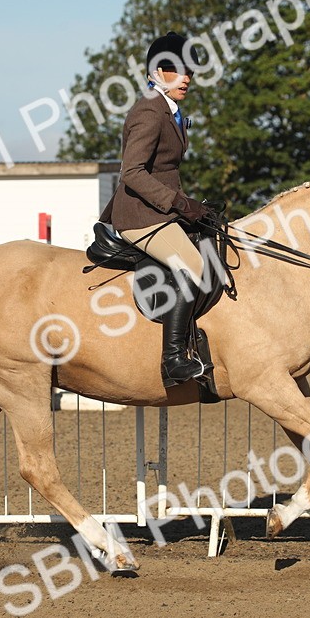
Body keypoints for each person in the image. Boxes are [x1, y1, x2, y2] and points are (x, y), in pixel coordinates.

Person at [98, 31, 210, 386]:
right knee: (194, 266)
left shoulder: (170, 110)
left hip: (160, 212)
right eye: (176, 70)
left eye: (189, 70)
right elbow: (131, 173)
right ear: (156, 73)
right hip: (140, 216)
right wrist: (178, 203)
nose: (186, 78)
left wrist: (193, 207)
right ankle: (173, 359)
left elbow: (166, 171)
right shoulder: (149, 109)